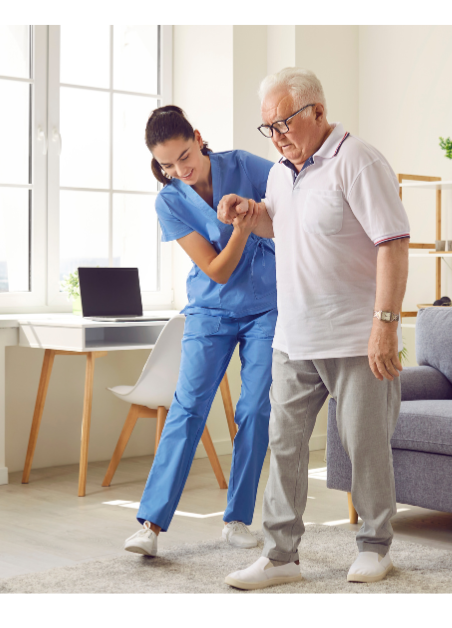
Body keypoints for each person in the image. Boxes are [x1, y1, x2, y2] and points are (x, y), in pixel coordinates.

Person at [216, 68, 411, 589]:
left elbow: (393, 244)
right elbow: (281, 224)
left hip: (355, 337)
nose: (277, 136)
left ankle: (375, 546)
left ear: (317, 112)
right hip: (294, 337)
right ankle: (281, 556)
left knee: (365, 446)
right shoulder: (280, 174)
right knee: (284, 446)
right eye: (268, 127)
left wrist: (385, 326)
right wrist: (250, 212)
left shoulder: (359, 161)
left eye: (284, 123)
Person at [123, 105, 279, 557]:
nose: (180, 170)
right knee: (188, 408)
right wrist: (243, 230)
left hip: (266, 308)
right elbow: (217, 269)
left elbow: (293, 197)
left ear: (197, 137)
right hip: (211, 310)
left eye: (185, 156)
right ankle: (150, 525)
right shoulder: (170, 201)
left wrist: (255, 212)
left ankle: (237, 519)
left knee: (255, 410)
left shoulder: (245, 165)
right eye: (167, 165)